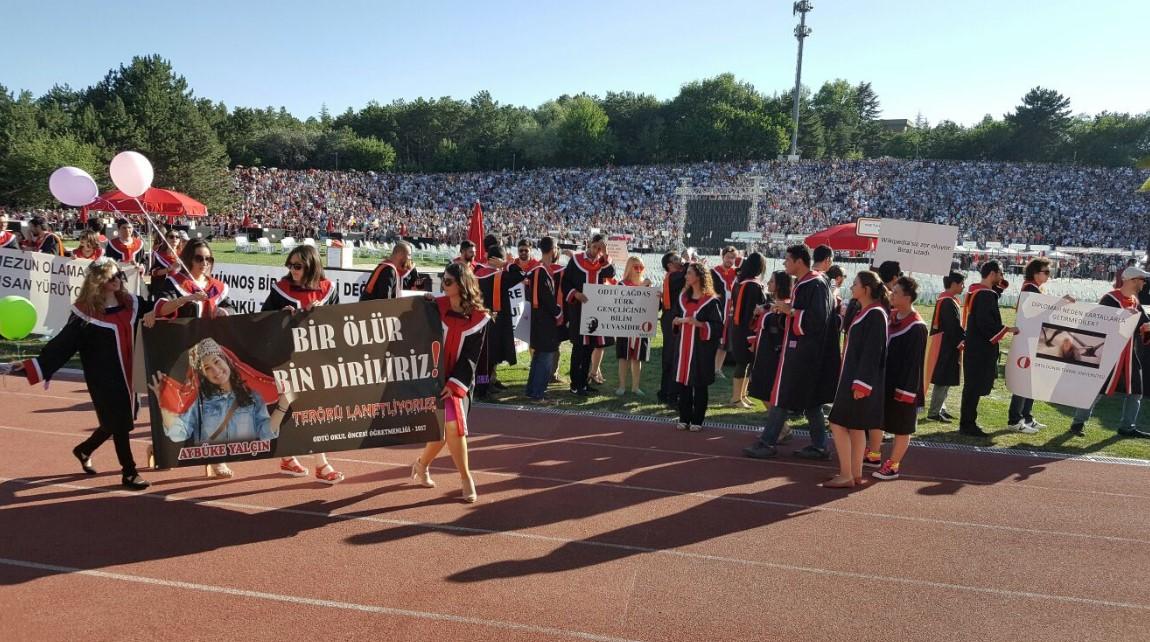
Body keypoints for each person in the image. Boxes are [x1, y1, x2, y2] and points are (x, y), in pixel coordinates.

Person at [7, 259, 153, 489]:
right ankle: (129, 472)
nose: (117, 280)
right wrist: (32, 366)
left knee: (115, 420)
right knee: (120, 422)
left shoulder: (130, 303)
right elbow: (62, 345)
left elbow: (157, 310)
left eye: (119, 275)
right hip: (103, 377)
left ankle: (84, 449)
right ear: (98, 281)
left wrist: (185, 302)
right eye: (111, 277)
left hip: (128, 373)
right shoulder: (85, 314)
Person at [153, 238, 236, 477]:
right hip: (181, 353)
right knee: (181, 409)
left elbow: (230, 307)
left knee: (217, 406)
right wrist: (186, 299)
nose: (204, 263)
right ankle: (163, 449)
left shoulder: (218, 287)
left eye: (208, 259)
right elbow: (160, 309)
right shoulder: (176, 282)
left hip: (210, 355)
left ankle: (217, 458)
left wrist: (224, 311)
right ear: (188, 258)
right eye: (199, 258)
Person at [261, 244, 344, 483]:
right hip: (288, 357)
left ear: (311, 266)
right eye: (290, 265)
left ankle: (291, 458)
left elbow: (340, 322)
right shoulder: (281, 289)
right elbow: (262, 319)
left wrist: (322, 313)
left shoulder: (328, 290)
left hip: (316, 357)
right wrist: (281, 316)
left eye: (297, 266)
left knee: (307, 409)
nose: (292, 270)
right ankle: (320, 464)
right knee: (299, 408)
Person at [744, 245, 835, 461]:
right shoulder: (808, 282)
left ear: (799, 261)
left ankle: (768, 442)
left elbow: (817, 319)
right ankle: (820, 446)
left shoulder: (815, 283)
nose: (784, 263)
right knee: (810, 400)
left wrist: (790, 311)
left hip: (805, 351)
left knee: (783, 395)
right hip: (802, 349)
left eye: (787, 259)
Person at [411, 262, 489, 503]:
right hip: (434, 377)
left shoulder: (479, 318)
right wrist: (422, 302)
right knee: (447, 428)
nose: (443, 285)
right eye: (442, 280)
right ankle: (449, 473)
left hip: (459, 379)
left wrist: (454, 384)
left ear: (462, 285)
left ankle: (449, 473)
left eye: (448, 281)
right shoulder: (436, 306)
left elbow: (471, 357)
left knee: (451, 427)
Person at [1068, 266, 1150, 437]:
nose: (1144, 283)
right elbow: (1098, 324)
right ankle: (1078, 423)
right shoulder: (1110, 299)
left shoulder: (1134, 301)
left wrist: (1146, 327)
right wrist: (1122, 317)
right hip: (1109, 353)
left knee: (1136, 391)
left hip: (1128, 353)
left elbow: (1143, 324)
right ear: (1133, 280)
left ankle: (1127, 427)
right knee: (1096, 389)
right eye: (1142, 280)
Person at [825, 271, 889, 488]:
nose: (852, 287)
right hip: (854, 378)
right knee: (856, 427)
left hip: (858, 381)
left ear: (866, 289)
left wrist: (862, 384)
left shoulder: (875, 314)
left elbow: (873, 351)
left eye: (855, 284)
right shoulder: (867, 311)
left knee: (837, 423)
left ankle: (846, 474)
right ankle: (854, 473)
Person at [870, 277, 928, 481]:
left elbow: (914, 364)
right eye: (891, 291)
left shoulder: (917, 327)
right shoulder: (891, 316)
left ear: (908, 297)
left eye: (896, 293)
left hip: (904, 385)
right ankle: (874, 454)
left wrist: (906, 392)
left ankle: (893, 465)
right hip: (885, 380)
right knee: (877, 418)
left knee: (902, 426)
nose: (891, 295)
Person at [960, 260, 1018, 437]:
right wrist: (1006, 329)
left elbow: (994, 295)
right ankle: (968, 424)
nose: (1002, 277)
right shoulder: (985, 295)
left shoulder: (975, 290)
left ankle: (967, 422)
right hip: (980, 347)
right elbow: (985, 323)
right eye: (1000, 273)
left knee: (972, 386)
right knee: (974, 387)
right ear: (992, 273)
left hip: (973, 344)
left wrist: (1000, 285)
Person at [671, 263, 723, 432]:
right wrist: (676, 321)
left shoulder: (711, 301)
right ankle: (684, 417)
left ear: (699, 277)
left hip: (701, 349)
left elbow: (717, 327)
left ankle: (698, 419)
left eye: (689, 273)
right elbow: (676, 316)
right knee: (683, 383)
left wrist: (699, 324)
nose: (686, 276)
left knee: (699, 384)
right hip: (683, 347)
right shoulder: (683, 298)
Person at [562, 233, 615, 396]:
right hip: (579, 310)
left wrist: (605, 254)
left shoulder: (603, 262)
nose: (596, 250)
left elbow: (611, 273)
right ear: (589, 244)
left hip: (595, 312)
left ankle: (584, 383)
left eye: (600, 248)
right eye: (594, 246)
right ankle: (575, 384)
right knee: (579, 348)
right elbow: (565, 283)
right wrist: (575, 294)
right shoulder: (576, 260)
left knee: (589, 349)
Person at [1007, 258, 1053, 433]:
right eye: (1046, 272)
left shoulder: (1033, 288)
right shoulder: (1030, 289)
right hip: (1029, 341)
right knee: (1024, 380)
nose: (1048, 275)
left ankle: (1026, 416)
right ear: (1035, 273)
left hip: (1034, 339)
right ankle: (1015, 419)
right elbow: (1038, 315)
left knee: (1032, 380)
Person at [525, 236, 564, 401]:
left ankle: (531, 390)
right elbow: (546, 298)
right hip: (544, 321)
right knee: (546, 357)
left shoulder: (538, 269)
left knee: (538, 356)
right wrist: (558, 312)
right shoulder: (541, 271)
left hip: (537, 318)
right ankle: (538, 393)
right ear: (553, 249)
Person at [747, 270, 794, 406]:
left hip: (774, 356)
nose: (768, 283)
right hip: (762, 353)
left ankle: (778, 420)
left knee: (767, 392)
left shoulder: (786, 307)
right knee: (761, 391)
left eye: (772, 281)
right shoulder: (771, 305)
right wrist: (758, 313)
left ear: (780, 285)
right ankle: (776, 420)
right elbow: (757, 326)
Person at [726, 252, 766, 408]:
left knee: (747, 363)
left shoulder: (740, 282)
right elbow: (753, 309)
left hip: (738, 326)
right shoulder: (753, 285)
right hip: (747, 328)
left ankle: (742, 395)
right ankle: (736, 398)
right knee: (743, 363)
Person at [925, 272, 965, 422]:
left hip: (945, 343)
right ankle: (934, 412)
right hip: (946, 345)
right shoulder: (947, 302)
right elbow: (952, 326)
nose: (963, 287)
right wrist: (962, 339)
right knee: (943, 379)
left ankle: (941, 408)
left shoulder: (946, 299)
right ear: (954, 284)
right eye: (961, 284)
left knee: (946, 378)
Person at [614, 256, 653, 395]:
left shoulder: (647, 284)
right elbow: (623, 302)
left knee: (637, 358)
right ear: (629, 268)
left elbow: (654, 307)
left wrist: (657, 296)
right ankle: (622, 386)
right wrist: (641, 288)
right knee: (623, 357)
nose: (639, 270)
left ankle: (635, 387)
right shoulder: (622, 285)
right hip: (625, 325)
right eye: (636, 267)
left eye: (641, 267)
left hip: (642, 326)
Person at [657, 252, 686, 405]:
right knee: (673, 356)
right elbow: (689, 270)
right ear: (669, 265)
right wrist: (688, 260)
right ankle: (670, 393)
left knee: (671, 355)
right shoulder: (675, 276)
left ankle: (665, 391)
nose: (680, 260)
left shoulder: (672, 276)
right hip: (672, 319)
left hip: (670, 317)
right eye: (676, 259)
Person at [360, 241, 429, 300]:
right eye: (408, 255)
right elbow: (384, 298)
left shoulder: (409, 268)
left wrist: (419, 285)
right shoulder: (388, 270)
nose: (410, 258)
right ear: (400, 255)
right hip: (374, 308)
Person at [711, 246, 740, 378]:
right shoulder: (714, 272)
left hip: (730, 313)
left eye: (733, 258)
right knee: (714, 340)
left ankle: (717, 369)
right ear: (723, 257)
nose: (730, 260)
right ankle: (708, 367)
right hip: (717, 312)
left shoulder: (737, 274)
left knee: (725, 343)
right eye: (728, 257)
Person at [149, 229, 184, 299]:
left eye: (177, 237)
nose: (174, 239)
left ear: (179, 240)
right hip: (163, 289)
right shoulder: (158, 255)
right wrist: (169, 269)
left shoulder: (183, 255)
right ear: (166, 239)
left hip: (180, 288)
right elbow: (153, 272)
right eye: (171, 237)